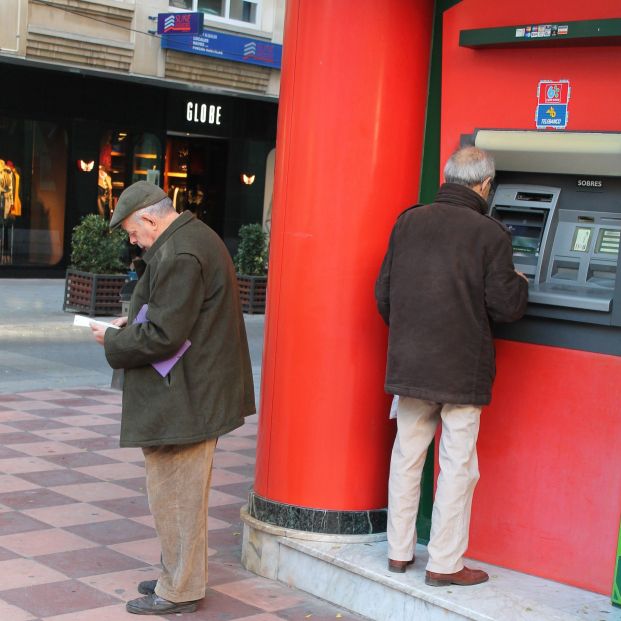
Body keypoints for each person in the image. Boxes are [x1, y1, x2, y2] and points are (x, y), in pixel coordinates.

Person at [90, 180, 255, 615]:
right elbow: (173, 316)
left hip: (188, 395)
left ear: (149, 217)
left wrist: (113, 339)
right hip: (190, 391)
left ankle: (179, 589)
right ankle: (178, 575)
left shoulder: (181, 251)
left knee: (176, 496)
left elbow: (165, 334)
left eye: (131, 231)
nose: (133, 240)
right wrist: (134, 323)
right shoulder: (189, 239)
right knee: (176, 494)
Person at [375, 146, 528, 587]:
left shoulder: (408, 221)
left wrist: (409, 335)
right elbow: (504, 306)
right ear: (484, 186)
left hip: (411, 365)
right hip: (462, 368)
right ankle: (444, 562)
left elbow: (383, 293)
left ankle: (399, 552)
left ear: (448, 179)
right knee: (457, 464)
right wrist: (520, 285)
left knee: (407, 455)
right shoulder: (491, 234)